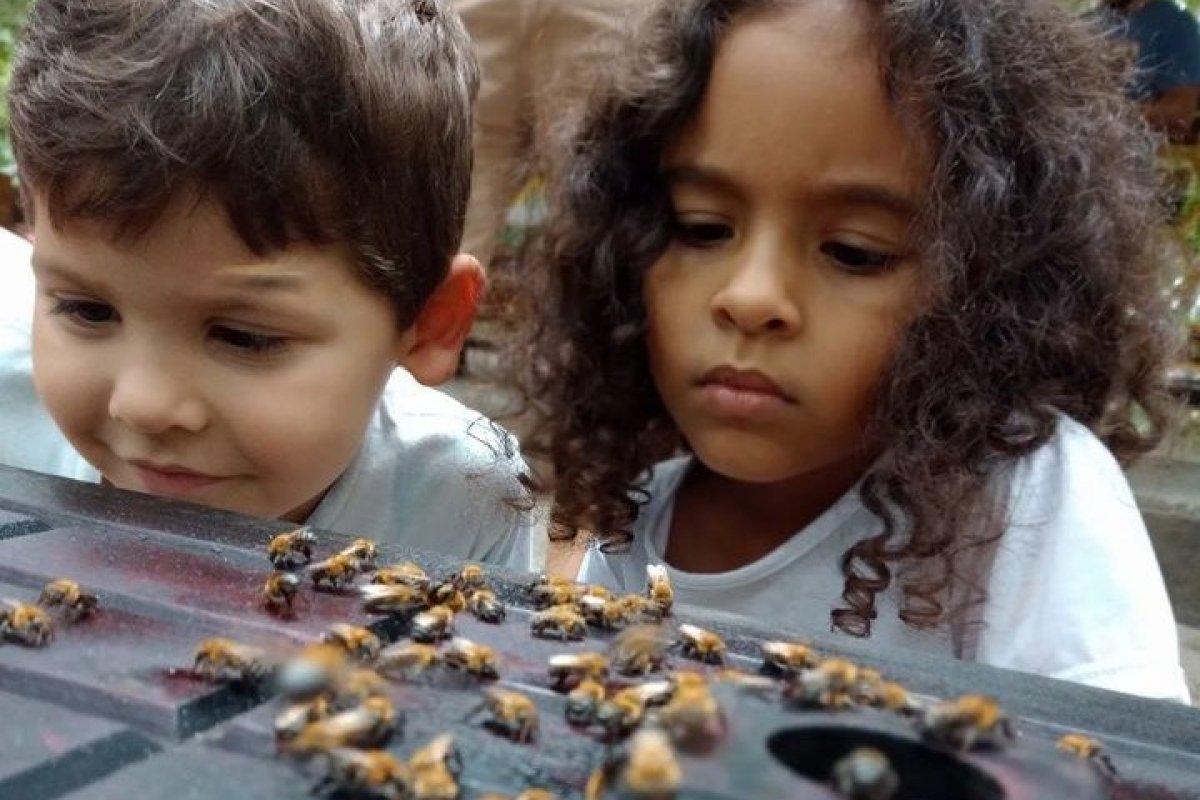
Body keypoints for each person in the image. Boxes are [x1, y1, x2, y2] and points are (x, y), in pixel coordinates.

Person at [506, 0, 1190, 701]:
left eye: (854, 252)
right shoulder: (638, 518)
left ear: (994, 289)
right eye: (702, 228)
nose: (751, 297)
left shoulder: (1023, 503)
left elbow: (1119, 763)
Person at [0, 0, 533, 568]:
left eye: (244, 337)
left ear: (429, 323)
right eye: (88, 310)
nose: (145, 405)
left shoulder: (465, 500)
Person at [1103, 0, 1200, 141]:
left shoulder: (1175, 24)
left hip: (1133, 151)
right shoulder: (1087, 21)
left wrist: (1107, 118)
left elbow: (1180, 110)